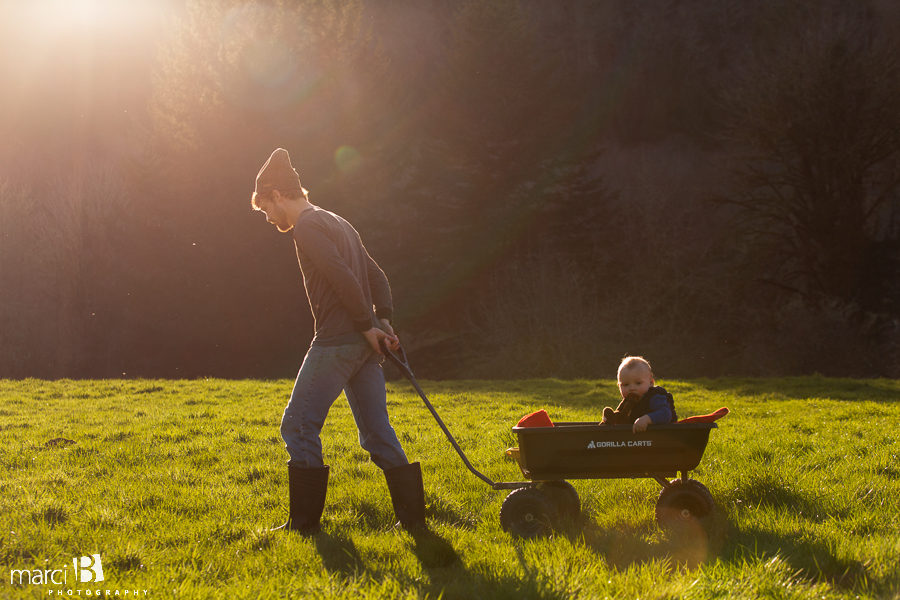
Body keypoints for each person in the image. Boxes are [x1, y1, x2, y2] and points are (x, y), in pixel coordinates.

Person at [251, 147, 425, 534]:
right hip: (363, 347)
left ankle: (303, 527)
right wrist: (384, 323)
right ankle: (414, 523)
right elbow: (377, 277)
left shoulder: (308, 227)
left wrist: (368, 326)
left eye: (266, 208)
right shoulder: (338, 221)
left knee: (297, 426)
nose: (268, 218)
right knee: (377, 433)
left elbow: (341, 276)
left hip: (337, 342)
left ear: (278, 194)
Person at [600, 356, 677, 433]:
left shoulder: (654, 397)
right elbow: (620, 416)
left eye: (638, 383)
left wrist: (647, 419)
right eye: (626, 385)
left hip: (665, 435)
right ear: (619, 386)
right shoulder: (627, 403)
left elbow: (665, 414)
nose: (632, 388)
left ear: (651, 383)